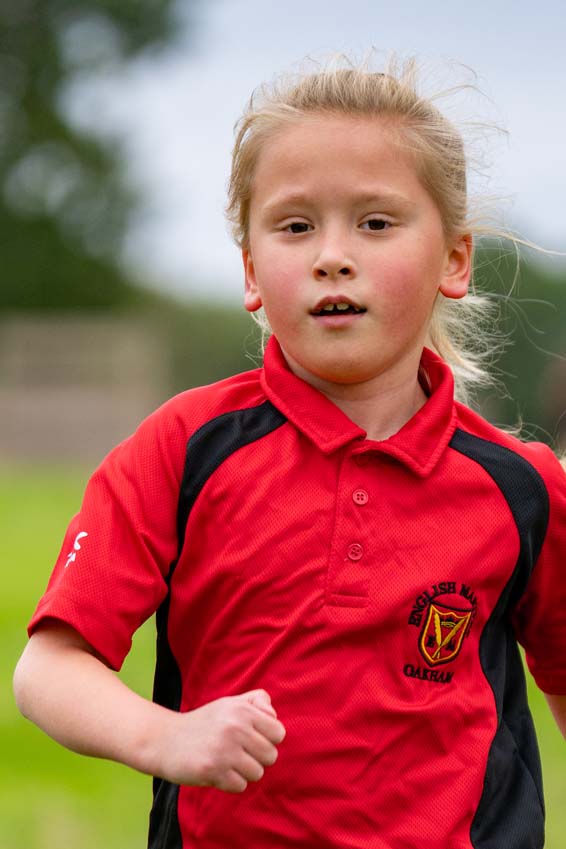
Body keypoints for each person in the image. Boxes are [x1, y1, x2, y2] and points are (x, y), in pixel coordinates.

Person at [13, 56, 566, 849]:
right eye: (295, 225)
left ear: (454, 259)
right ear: (249, 270)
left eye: (376, 223)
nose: (331, 255)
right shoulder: (184, 448)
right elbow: (48, 673)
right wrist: (168, 736)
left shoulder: (522, 486)